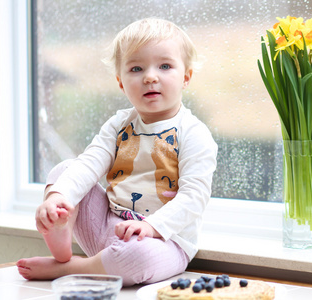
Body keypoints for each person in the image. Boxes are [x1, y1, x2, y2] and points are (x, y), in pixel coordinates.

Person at [17, 18, 218, 287]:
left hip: (164, 242)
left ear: (186, 77)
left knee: (140, 257)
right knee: (66, 170)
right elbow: (89, 164)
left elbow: (194, 197)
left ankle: (71, 268)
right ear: (121, 83)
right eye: (136, 68)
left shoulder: (193, 133)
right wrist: (57, 198)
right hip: (106, 228)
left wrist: (151, 227)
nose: (150, 76)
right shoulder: (119, 125)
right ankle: (60, 228)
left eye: (165, 66)